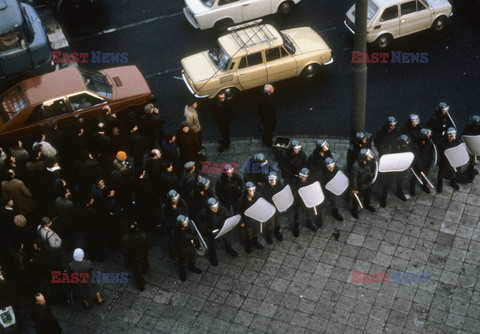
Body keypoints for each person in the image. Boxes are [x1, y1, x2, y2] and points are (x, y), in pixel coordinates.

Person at [196, 198, 238, 266]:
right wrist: (207, 231)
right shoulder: (203, 213)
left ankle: (229, 248)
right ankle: (213, 257)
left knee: (227, 240)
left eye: (216, 207)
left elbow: (228, 217)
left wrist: (226, 226)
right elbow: (199, 223)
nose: (215, 210)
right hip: (211, 232)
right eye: (213, 208)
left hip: (222, 229)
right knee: (213, 245)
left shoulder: (223, 210)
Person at [379, 134, 411, 207]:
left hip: (400, 168)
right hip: (391, 169)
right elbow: (388, 158)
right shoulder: (391, 147)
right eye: (405, 144)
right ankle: (383, 199)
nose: (406, 145)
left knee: (400, 182)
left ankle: (399, 193)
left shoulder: (406, 147)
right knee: (387, 184)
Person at [121, 221, 152, 291]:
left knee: (137, 273)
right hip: (143, 255)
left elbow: (124, 251)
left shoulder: (125, 239)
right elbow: (149, 245)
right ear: (137, 228)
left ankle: (141, 286)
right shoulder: (143, 236)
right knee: (145, 263)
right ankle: (145, 270)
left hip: (133, 259)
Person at [161, 190, 189, 260]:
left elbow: (186, 212)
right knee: (172, 241)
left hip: (182, 224)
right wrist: (173, 226)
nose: (174, 201)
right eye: (173, 199)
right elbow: (164, 219)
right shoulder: (165, 207)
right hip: (172, 226)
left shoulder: (182, 203)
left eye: (175, 199)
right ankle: (173, 253)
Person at [236, 181, 264, 253]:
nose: (252, 193)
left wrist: (261, 216)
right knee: (249, 235)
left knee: (255, 232)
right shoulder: (241, 200)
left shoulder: (257, 196)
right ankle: (249, 245)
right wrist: (241, 222)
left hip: (255, 218)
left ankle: (255, 243)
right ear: (246, 191)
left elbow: (260, 206)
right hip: (247, 220)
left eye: (253, 191)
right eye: (250, 191)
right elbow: (239, 212)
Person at [291, 168, 319, 237]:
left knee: (309, 213)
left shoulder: (310, 181)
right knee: (298, 215)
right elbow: (293, 193)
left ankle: (309, 223)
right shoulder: (295, 182)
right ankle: (296, 227)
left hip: (307, 200)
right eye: (302, 176)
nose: (303, 178)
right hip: (299, 202)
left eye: (304, 177)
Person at [174, 215, 202, 281]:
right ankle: (183, 272)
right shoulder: (176, 232)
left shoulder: (190, 225)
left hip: (190, 245)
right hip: (181, 248)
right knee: (182, 261)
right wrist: (173, 252)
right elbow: (173, 242)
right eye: (185, 223)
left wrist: (197, 244)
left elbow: (195, 235)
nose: (187, 224)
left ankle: (192, 267)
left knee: (192, 257)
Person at [350, 148, 376, 218]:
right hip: (360, 185)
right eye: (368, 156)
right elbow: (353, 178)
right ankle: (354, 211)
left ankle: (367, 205)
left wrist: (371, 174)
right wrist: (354, 188)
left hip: (368, 182)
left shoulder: (369, 161)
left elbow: (370, 169)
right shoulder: (356, 166)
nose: (369, 157)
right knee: (356, 199)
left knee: (367, 195)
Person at [410, 128, 435, 195]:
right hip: (418, 166)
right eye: (428, 136)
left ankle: (424, 186)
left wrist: (430, 163)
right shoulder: (416, 145)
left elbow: (431, 153)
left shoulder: (429, 143)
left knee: (425, 176)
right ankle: (411, 188)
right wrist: (419, 167)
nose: (429, 137)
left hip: (426, 164)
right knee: (415, 177)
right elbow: (416, 158)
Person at [260, 172, 284, 244]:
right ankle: (268, 235)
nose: (273, 183)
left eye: (274, 181)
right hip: (269, 207)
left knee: (278, 220)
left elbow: (282, 194)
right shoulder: (264, 187)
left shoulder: (279, 185)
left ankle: (277, 232)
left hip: (278, 206)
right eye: (271, 181)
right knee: (269, 222)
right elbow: (262, 198)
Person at [437, 127, 461, 192]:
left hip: (453, 161)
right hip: (444, 161)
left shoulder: (457, 141)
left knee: (453, 173)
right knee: (441, 175)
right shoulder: (442, 142)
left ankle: (453, 183)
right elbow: (439, 152)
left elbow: (459, 149)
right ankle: (439, 185)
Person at [462, 115, 480, 179]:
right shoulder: (468, 128)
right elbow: (463, 136)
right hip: (468, 146)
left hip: (475, 146)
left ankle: (470, 171)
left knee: (472, 161)